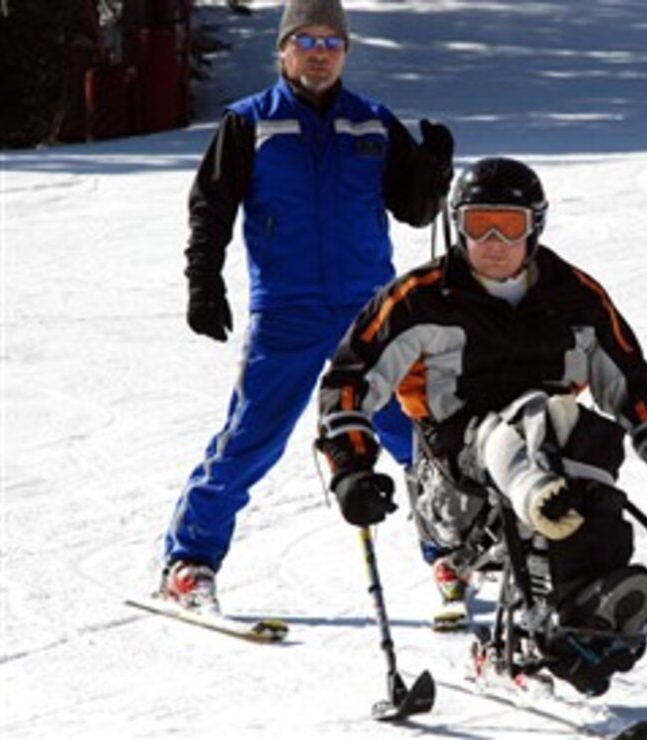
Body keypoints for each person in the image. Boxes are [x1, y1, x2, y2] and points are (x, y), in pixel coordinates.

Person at [315, 157, 647, 695]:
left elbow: (634, 388)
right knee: (532, 415)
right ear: (456, 225)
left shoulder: (576, 298)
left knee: (585, 433)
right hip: (458, 471)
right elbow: (347, 380)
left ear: (535, 225)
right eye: (476, 223)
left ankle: (590, 614)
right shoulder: (420, 298)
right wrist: (349, 468)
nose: (491, 241)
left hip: (558, 448)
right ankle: (547, 534)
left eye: (507, 225)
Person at [158, 0, 454, 612]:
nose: (319, 53)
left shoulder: (372, 123)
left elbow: (416, 212)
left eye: (331, 42)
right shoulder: (249, 124)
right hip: (287, 308)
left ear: (345, 51)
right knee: (252, 437)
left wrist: (434, 173)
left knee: (415, 433)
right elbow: (210, 210)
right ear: (284, 49)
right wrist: (203, 283)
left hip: (371, 312)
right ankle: (189, 562)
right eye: (306, 40)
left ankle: (451, 553)